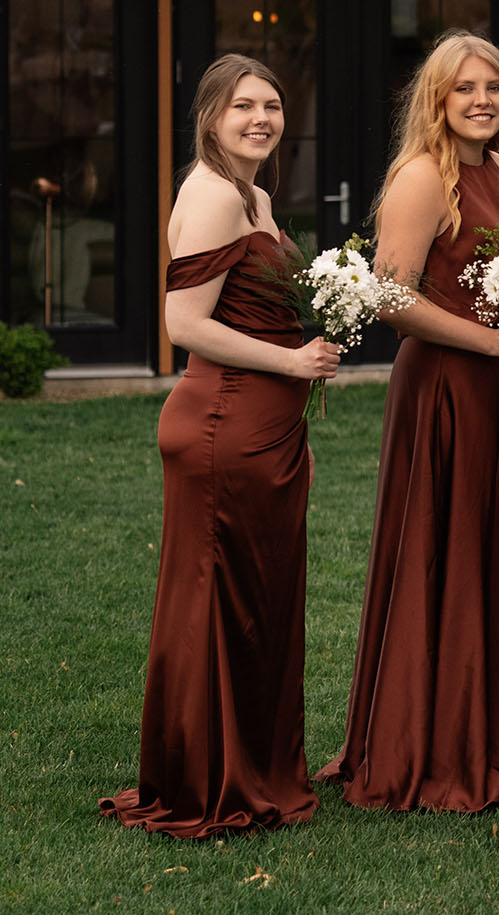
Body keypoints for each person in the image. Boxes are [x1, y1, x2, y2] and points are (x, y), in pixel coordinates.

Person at [103, 56, 338, 837]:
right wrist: (294, 360)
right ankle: (210, 778)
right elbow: (184, 326)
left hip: (262, 428)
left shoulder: (255, 194)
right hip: (221, 425)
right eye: (244, 105)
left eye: (272, 104)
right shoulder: (207, 194)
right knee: (220, 604)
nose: (262, 118)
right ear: (210, 114)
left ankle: (258, 765)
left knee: (257, 604)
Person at [323, 32, 499, 812]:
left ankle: (492, 729)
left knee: (493, 552)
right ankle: (436, 739)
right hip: (449, 392)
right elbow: (392, 297)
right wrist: (494, 338)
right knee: (446, 552)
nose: (483, 100)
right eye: (466, 89)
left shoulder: (496, 171)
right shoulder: (425, 174)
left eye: (495, 87)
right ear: (437, 98)